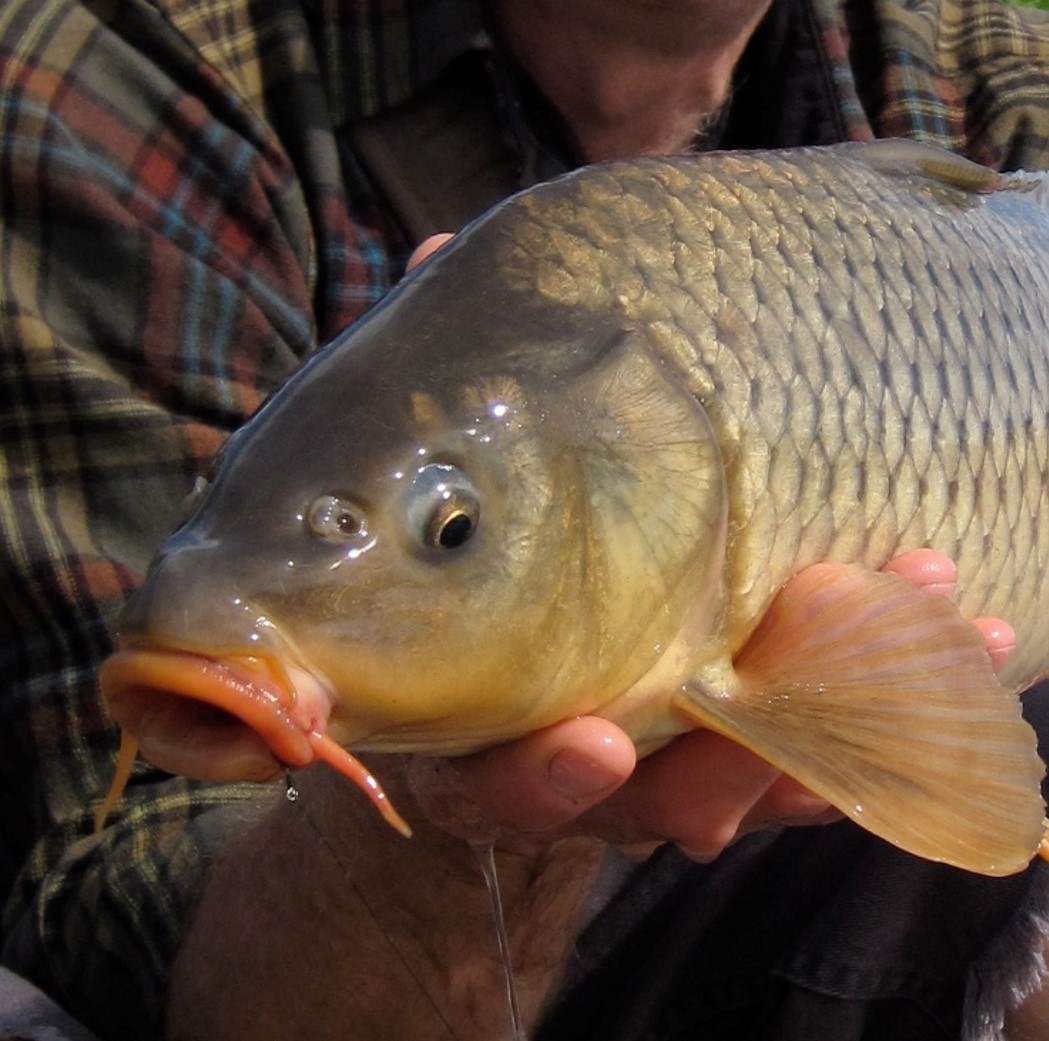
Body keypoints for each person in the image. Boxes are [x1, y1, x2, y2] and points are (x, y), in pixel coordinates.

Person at [0, 0, 1048, 1039]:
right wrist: (442, 832)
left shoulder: (986, 73)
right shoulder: (118, 85)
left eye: (450, 524)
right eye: (449, 524)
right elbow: (108, 909)